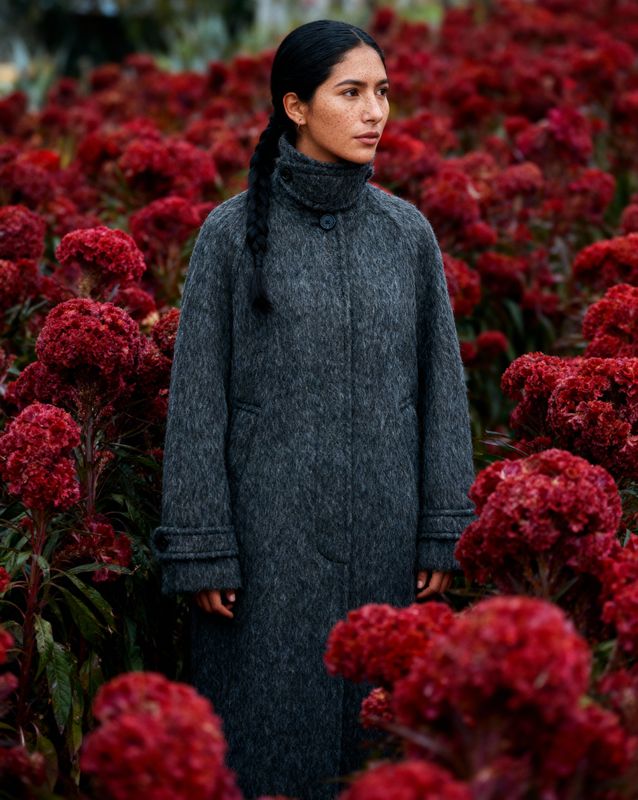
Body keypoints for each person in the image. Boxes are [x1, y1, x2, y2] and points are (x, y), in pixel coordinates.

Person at [150, 18, 476, 800]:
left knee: (381, 761)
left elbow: (442, 395)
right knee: (266, 762)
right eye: (352, 93)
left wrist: (443, 532)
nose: (375, 113)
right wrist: (202, 548)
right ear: (295, 106)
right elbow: (198, 401)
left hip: (389, 549)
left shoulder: (408, 235)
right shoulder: (231, 237)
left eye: (384, 93)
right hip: (266, 562)